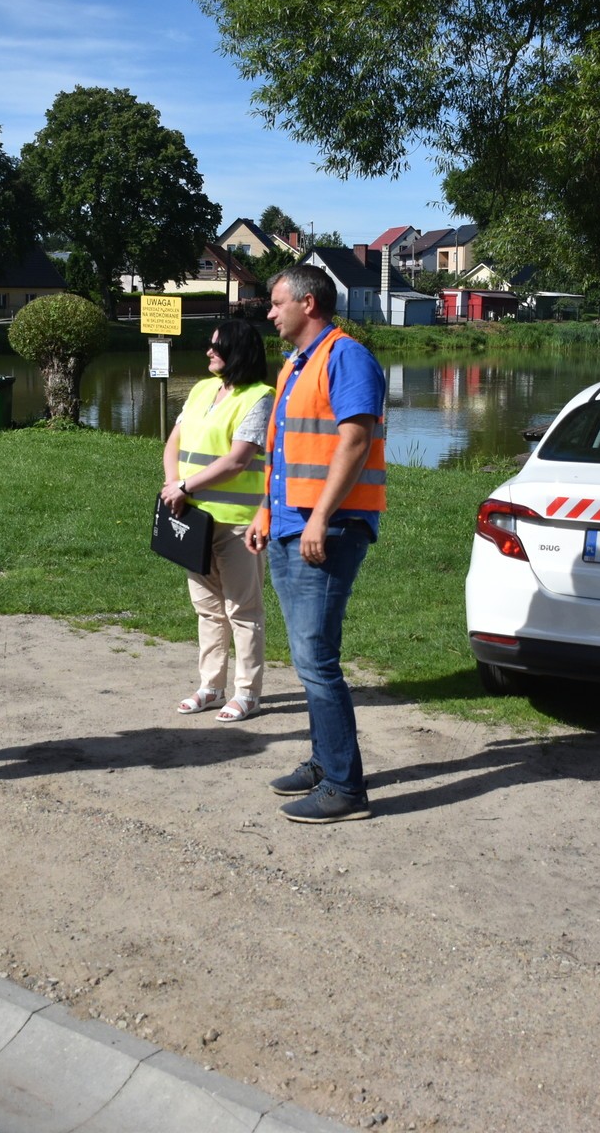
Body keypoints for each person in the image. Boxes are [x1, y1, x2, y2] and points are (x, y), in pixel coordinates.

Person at [245, 266, 387, 823]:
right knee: (308, 657)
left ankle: (345, 788)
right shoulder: (296, 364)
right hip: (289, 523)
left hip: (328, 527)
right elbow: (283, 450)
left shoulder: (346, 357)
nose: (269, 312)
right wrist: (266, 510)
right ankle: (325, 762)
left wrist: (320, 516)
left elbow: (356, 440)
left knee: (316, 657)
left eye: (276, 302)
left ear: (308, 304)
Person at [161, 319, 275, 722]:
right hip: (194, 518)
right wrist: (172, 485)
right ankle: (211, 687)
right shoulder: (201, 389)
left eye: (217, 346)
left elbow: (238, 460)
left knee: (243, 610)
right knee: (208, 609)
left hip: (237, 523)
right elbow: (174, 442)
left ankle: (247, 693)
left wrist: (184, 486)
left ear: (238, 352)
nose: (209, 352)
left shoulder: (260, 397)